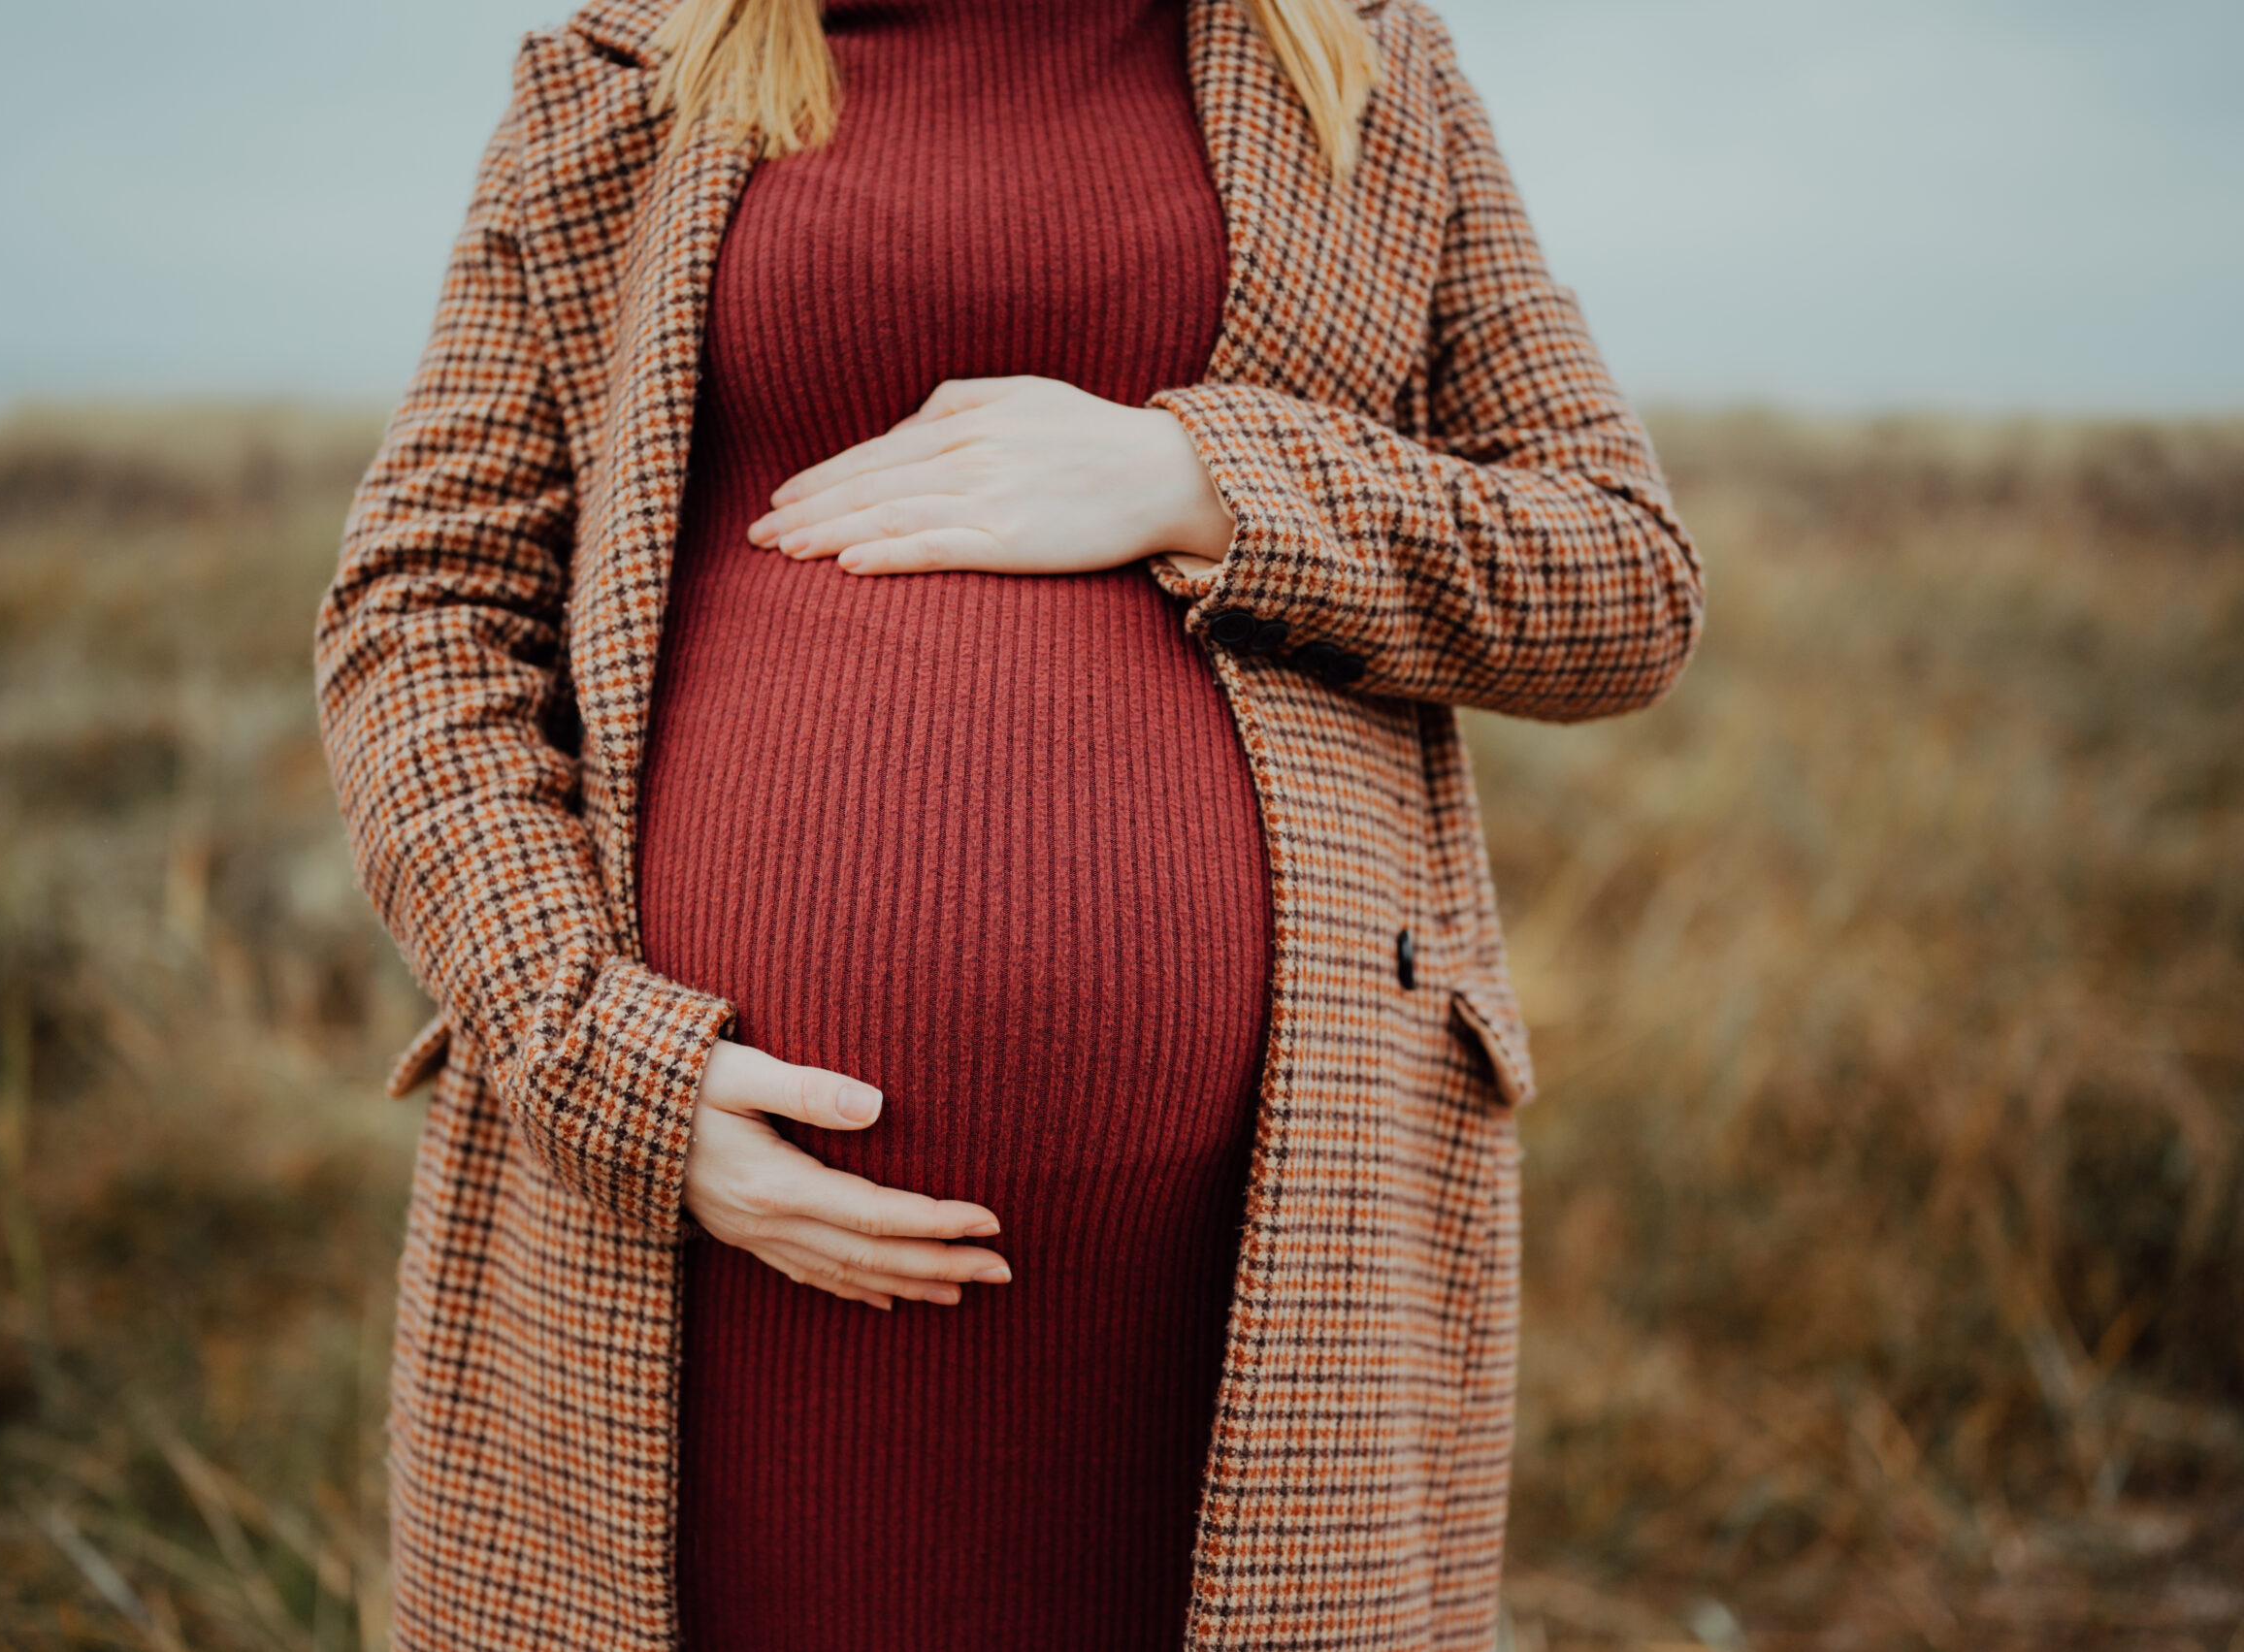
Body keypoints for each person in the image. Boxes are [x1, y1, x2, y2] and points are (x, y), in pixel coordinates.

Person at [312, 0, 1704, 1647]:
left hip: (1240, 1277)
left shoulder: (1364, 63)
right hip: (693, 1241)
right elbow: (420, 608)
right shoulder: (635, 61)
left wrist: (1201, 473)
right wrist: (596, 1059)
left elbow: (1621, 570)